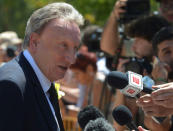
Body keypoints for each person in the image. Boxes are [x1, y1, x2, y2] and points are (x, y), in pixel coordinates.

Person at [0, 2, 83, 131]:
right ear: (34, 42)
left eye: (75, 48)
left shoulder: (45, 81)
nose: (71, 59)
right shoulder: (12, 86)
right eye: (63, 45)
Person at [137, 26, 173, 131]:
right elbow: (160, 127)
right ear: (156, 59)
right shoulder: (149, 83)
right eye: (167, 52)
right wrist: (160, 79)